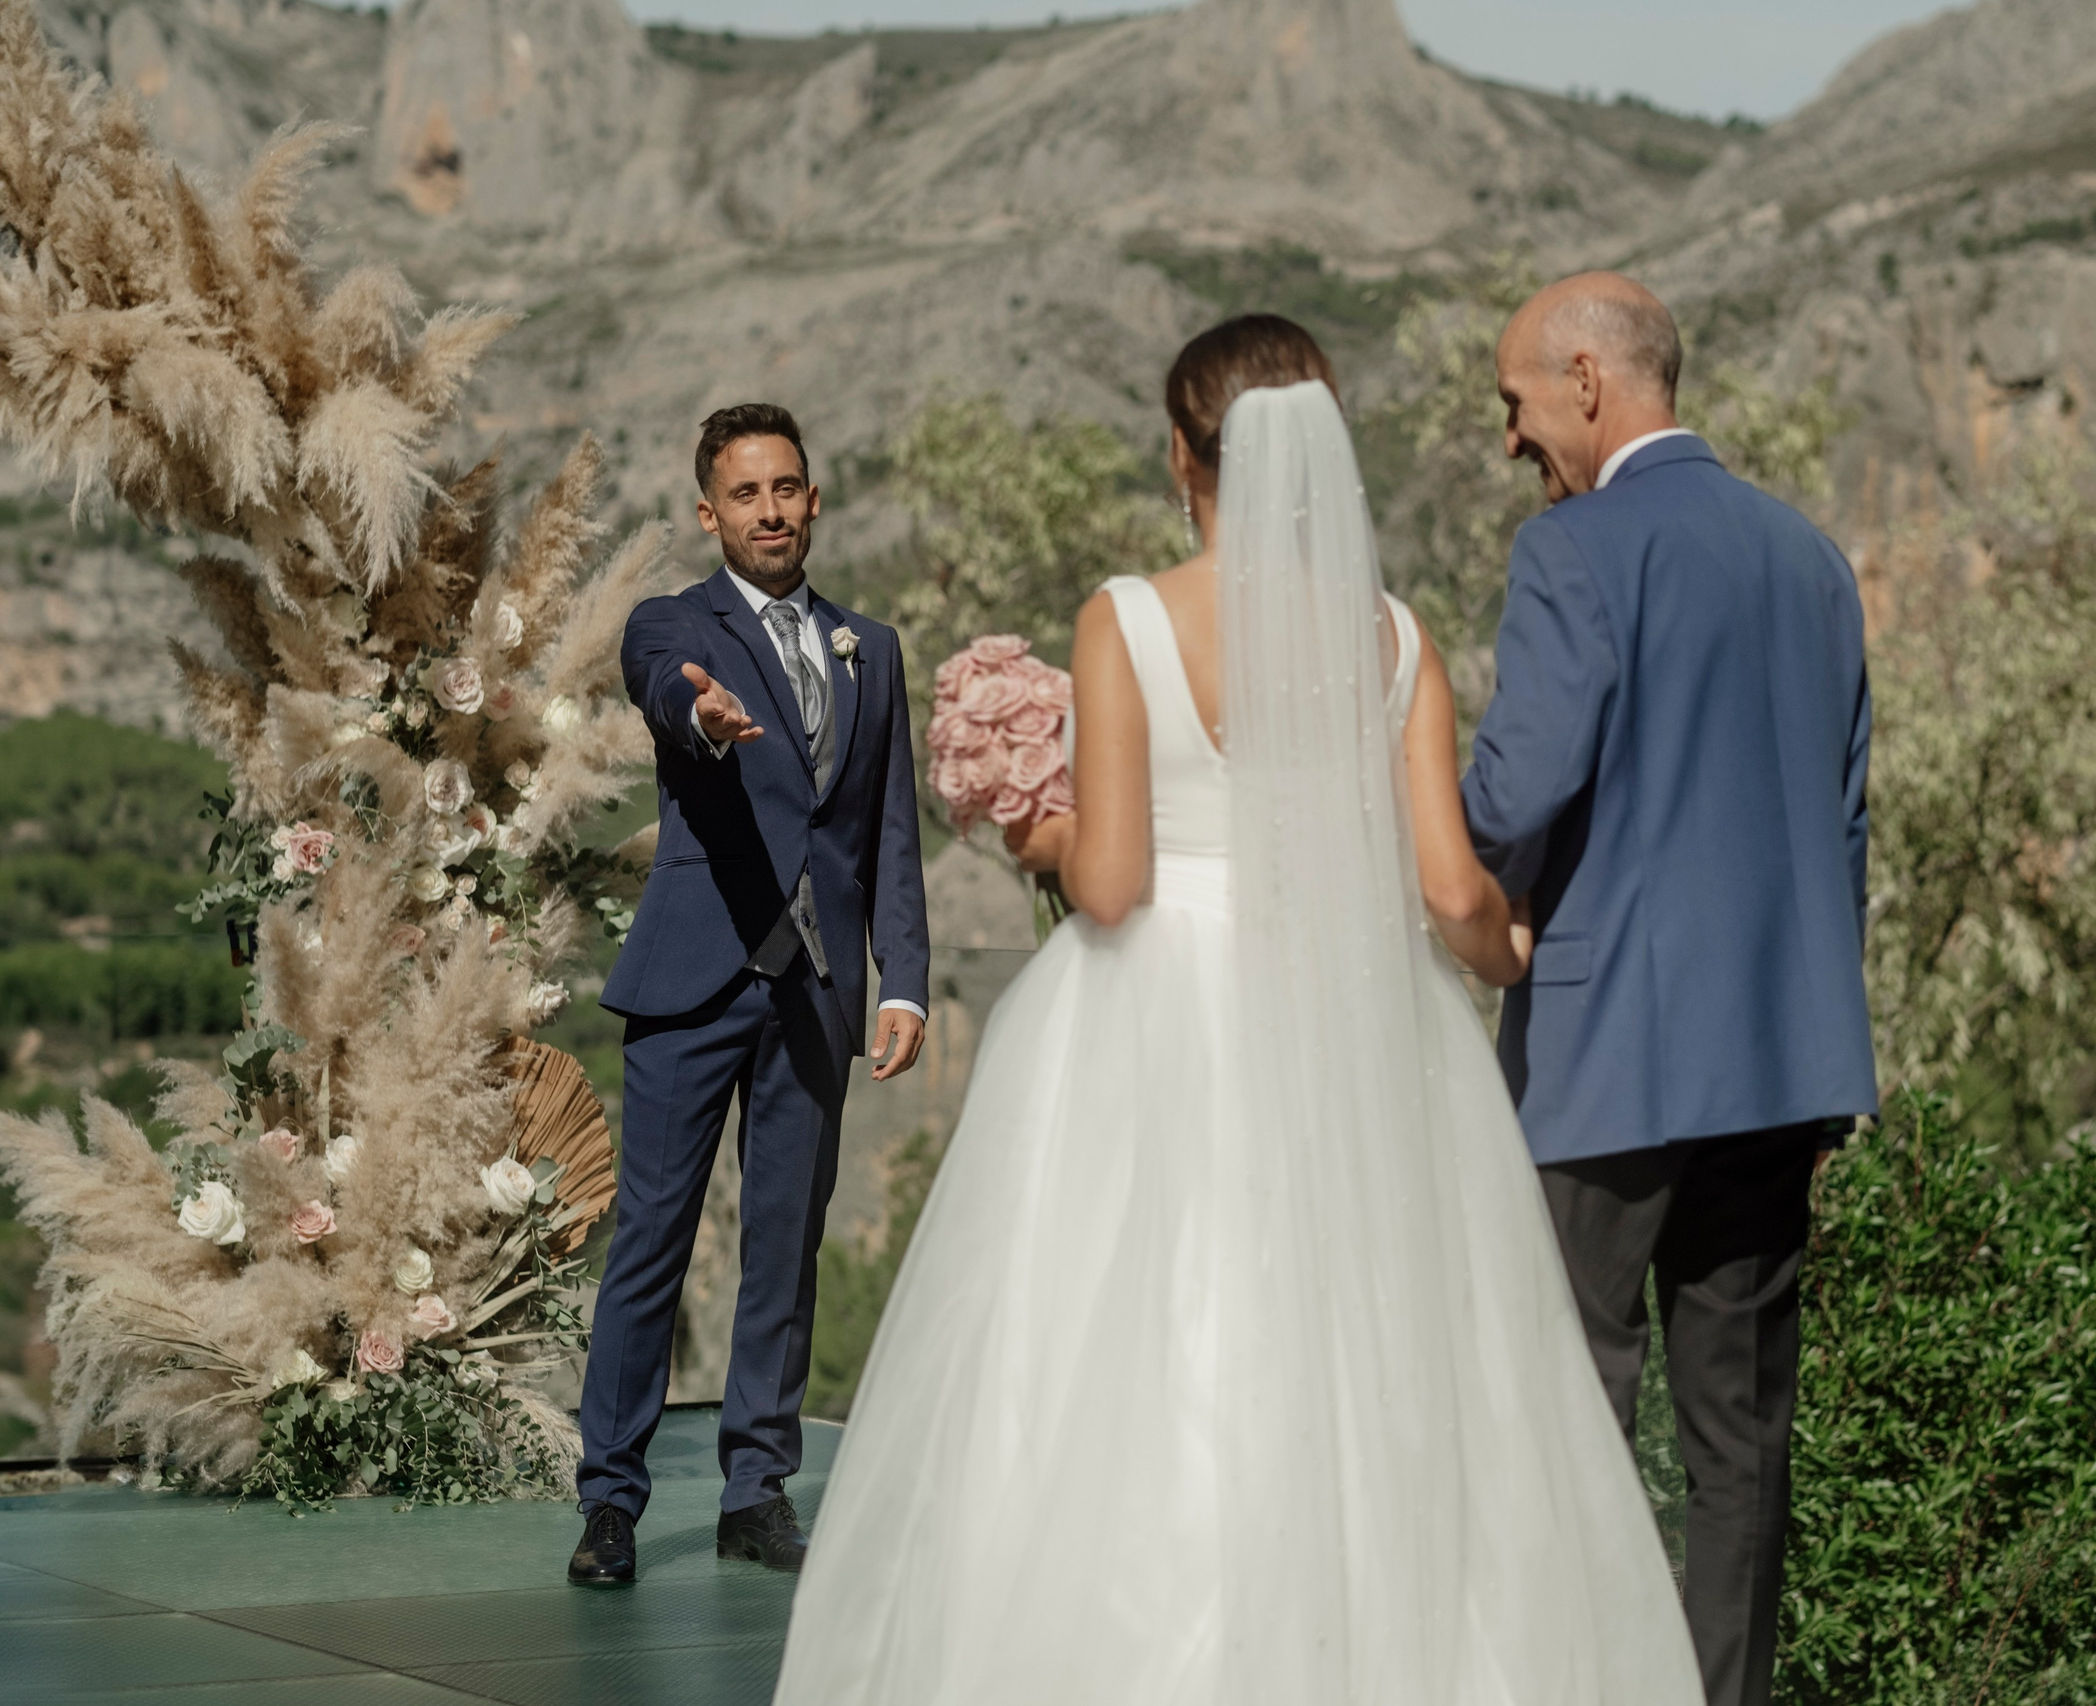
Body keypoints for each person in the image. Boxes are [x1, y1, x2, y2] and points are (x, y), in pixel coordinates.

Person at [770, 318, 1702, 1705]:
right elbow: (1453, 885)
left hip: (1158, 1017)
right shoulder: (1392, 638)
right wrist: (1506, 958)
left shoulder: (1129, 619)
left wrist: (1030, 833)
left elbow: (1112, 880)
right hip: (1365, 1019)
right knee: (1386, 1359)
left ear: (1181, 458)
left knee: (1141, 1356)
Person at [1460, 273, 1878, 1706]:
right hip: (1777, 1061)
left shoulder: (1573, 552)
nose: (1512, 440)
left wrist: (1418, 828)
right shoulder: (1809, 557)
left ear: (1587, 378)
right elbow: (1843, 822)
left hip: (1603, 1060)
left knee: (1566, 1414)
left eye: (1516, 402)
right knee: (1741, 1437)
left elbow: (1514, 797)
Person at [565, 403, 931, 1587]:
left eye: (786, 488)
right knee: (651, 1243)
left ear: (812, 499)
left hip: (819, 992)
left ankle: (754, 1489)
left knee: (786, 1246)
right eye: (745, 493)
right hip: (693, 979)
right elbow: (655, 681)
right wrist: (702, 712)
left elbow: (886, 834)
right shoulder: (677, 623)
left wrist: (906, 981)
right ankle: (611, 1499)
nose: (768, 510)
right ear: (709, 510)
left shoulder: (869, 647)